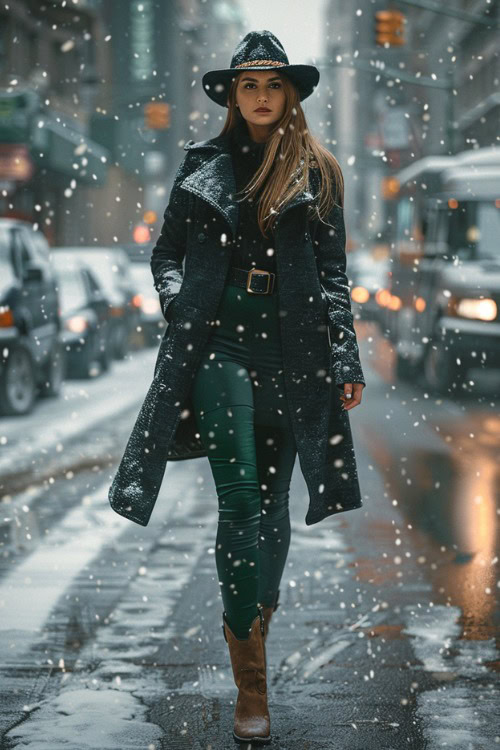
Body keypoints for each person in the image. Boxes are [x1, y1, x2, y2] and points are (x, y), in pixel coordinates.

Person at [109, 29, 366, 746]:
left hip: (294, 348)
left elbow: (335, 278)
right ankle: (251, 687)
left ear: (290, 94)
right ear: (232, 95)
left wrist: (344, 358)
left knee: (276, 506)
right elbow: (165, 253)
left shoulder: (318, 174)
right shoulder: (205, 166)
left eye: (271, 84)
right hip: (220, 345)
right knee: (239, 496)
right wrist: (177, 299)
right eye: (248, 85)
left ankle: (256, 617)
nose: (259, 96)